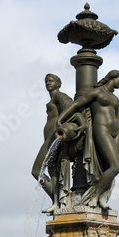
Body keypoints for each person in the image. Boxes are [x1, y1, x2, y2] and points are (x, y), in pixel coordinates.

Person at [57, 70, 119, 209]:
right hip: (102, 130)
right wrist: (60, 120)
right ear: (113, 78)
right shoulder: (96, 92)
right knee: (116, 166)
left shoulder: (114, 98)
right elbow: (76, 105)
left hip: (117, 133)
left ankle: (103, 197)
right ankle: (95, 196)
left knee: (109, 168)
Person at [31, 74, 72, 209]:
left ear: (58, 84)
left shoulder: (59, 96)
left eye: (51, 81)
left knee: (37, 170)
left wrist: (60, 125)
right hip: (50, 138)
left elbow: (70, 106)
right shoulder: (53, 98)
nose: (48, 83)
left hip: (53, 138)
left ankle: (58, 200)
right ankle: (56, 201)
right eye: (46, 81)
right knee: (53, 172)